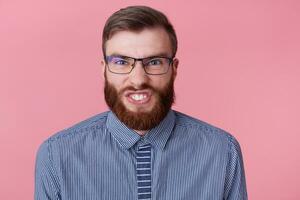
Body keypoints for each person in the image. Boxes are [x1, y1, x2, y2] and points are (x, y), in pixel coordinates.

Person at [35, 5, 247, 200]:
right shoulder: (56, 156)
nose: (138, 79)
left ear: (174, 69)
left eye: (154, 62)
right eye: (121, 62)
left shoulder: (222, 152)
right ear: (104, 69)